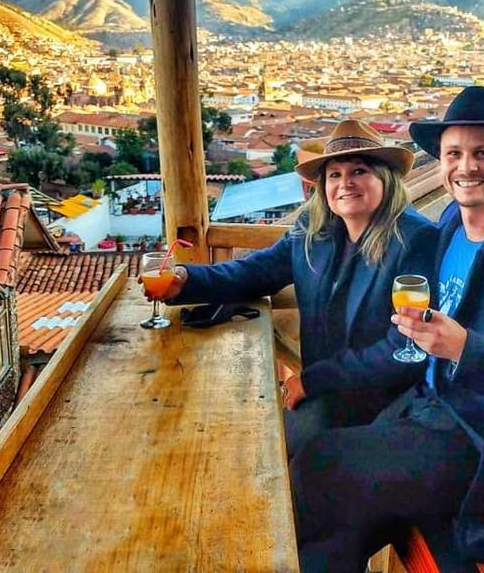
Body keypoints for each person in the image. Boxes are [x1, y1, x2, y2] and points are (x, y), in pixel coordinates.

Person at [290, 87, 484, 572]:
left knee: (320, 463)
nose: (465, 167)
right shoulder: (450, 222)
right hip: (428, 411)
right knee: (336, 512)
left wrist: (464, 348)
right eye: (454, 154)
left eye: (482, 154)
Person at [146, 119, 436, 457]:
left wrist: (314, 381)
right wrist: (185, 279)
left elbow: (404, 349)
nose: (346, 183)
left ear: (385, 178)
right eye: (335, 175)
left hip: (386, 400)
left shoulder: (416, 240)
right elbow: (256, 271)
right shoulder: (312, 229)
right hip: (325, 392)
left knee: (279, 460)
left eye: (359, 171)